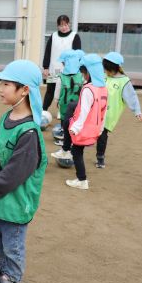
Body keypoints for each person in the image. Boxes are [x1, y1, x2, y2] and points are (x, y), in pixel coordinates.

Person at [0, 60, 47, 283]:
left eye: (6, 84)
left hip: (16, 201)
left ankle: (13, 278)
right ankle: (3, 265)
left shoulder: (29, 133)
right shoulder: (7, 117)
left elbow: (16, 172)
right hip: (0, 197)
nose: (0, 88)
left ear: (24, 90)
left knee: (12, 241)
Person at [51, 54, 107, 190]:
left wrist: (76, 128)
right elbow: (103, 111)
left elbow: (84, 111)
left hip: (83, 128)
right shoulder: (103, 88)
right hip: (94, 127)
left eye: (83, 73)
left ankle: (82, 180)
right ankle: (65, 150)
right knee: (67, 122)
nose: (82, 76)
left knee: (76, 152)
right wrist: (101, 128)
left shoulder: (88, 89)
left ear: (89, 72)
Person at [95, 52, 142, 168]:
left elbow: (132, 97)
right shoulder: (104, 76)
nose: (104, 71)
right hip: (96, 110)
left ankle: (100, 158)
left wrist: (137, 112)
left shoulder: (124, 81)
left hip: (109, 114)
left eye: (106, 69)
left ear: (113, 68)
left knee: (102, 135)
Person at [42, 15, 81, 115]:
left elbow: (78, 54)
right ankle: (43, 110)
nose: (64, 27)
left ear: (69, 24)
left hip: (68, 71)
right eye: (61, 25)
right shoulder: (53, 36)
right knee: (50, 90)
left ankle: (62, 111)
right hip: (54, 68)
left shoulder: (74, 36)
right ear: (58, 26)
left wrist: (77, 69)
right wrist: (45, 67)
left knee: (65, 91)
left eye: (66, 24)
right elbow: (47, 52)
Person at [54, 49, 85, 146]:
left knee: (64, 121)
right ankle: (75, 138)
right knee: (76, 121)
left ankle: (64, 139)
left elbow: (57, 92)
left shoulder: (61, 77)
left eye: (63, 62)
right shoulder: (81, 76)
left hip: (64, 104)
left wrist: (56, 101)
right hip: (78, 104)